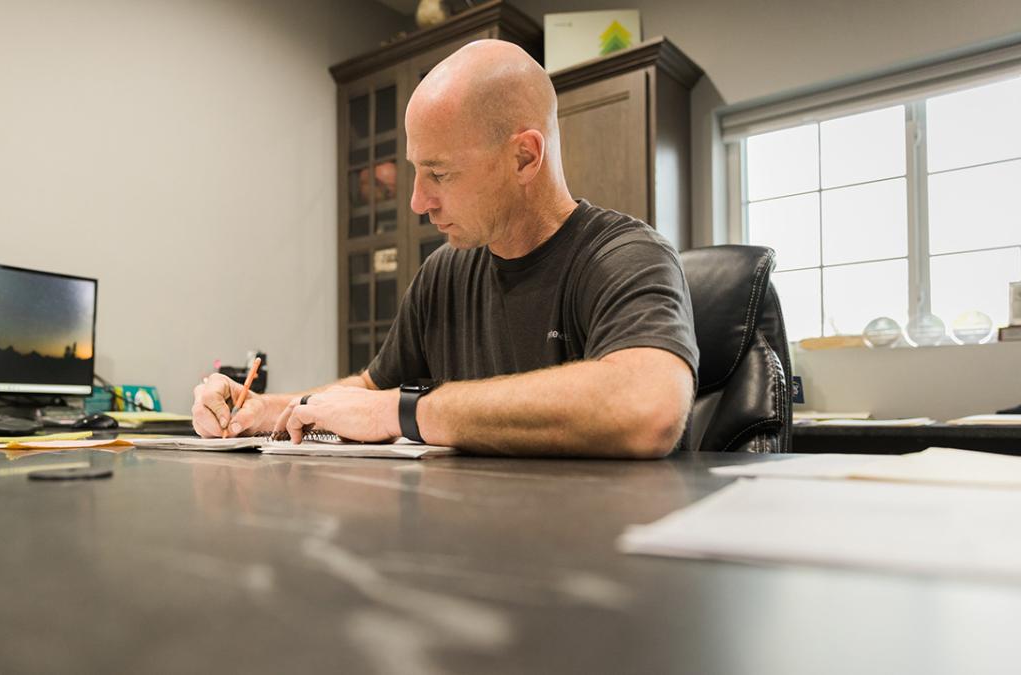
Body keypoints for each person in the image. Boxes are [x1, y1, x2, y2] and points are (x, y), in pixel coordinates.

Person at [193, 40, 698, 458]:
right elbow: (370, 390)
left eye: (439, 173)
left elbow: (647, 406)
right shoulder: (445, 273)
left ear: (524, 157)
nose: (417, 201)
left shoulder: (627, 255)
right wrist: (264, 410)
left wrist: (405, 411)